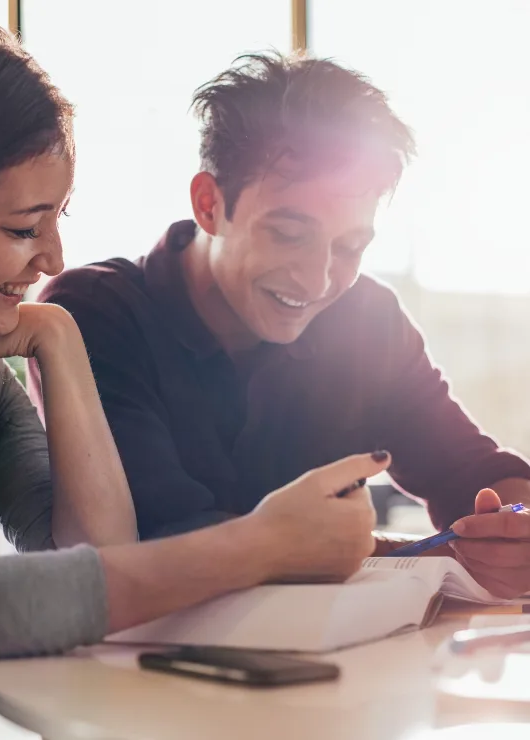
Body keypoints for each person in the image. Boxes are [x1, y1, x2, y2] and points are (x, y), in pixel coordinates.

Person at [0, 15, 386, 740]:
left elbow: (96, 567)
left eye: (58, 220)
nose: (52, 258)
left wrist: (60, 341)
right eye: (22, 228)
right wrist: (262, 543)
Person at [33, 52, 530, 599]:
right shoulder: (96, 314)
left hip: (339, 671)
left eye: (350, 246)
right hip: (126, 671)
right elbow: (157, 539)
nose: (319, 280)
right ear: (209, 203)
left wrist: (514, 525)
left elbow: (471, 470)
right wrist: (414, 553)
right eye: (289, 234)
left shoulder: (368, 318)